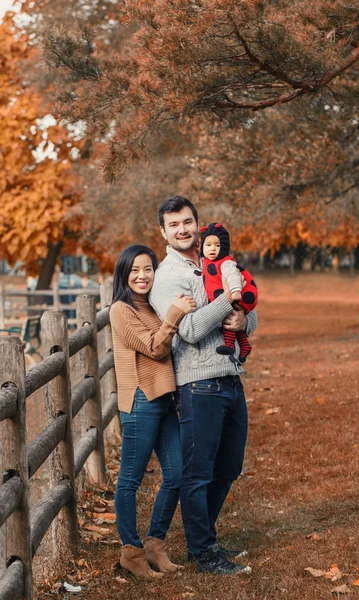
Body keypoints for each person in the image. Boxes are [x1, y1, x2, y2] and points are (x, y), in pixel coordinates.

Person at [150, 196, 258, 575]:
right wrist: (225, 303)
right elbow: (191, 330)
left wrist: (244, 322)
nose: (183, 229)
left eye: (187, 222)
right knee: (198, 473)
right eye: (174, 224)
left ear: (197, 224)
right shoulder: (166, 277)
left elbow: (250, 310)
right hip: (198, 385)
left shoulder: (217, 261)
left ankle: (205, 537)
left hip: (231, 377)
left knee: (229, 466)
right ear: (163, 232)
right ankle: (203, 550)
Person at [110, 244, 196, 578]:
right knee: (130, 480)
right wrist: (174, 315)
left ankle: (155, 545)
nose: (142, 276)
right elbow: (153, 348)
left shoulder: (155, 307)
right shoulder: (121, 310)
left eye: (148, 269)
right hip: (141, 401)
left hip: (164, 399)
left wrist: (170, 313)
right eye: (134, 270)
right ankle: (130, 552)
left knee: (176, 474)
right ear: (124, 274)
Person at [200, 222, 258, 363]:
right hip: (228, 296)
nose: (212, 249)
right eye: (208, 245)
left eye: (217, 245)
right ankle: (244, 345)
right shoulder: (206, 261)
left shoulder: (225, 263)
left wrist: (236, 291)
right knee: (232, 318)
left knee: (228, 317)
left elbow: (233, 276)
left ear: (224, 247)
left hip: (239, 296)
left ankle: (229, 344)